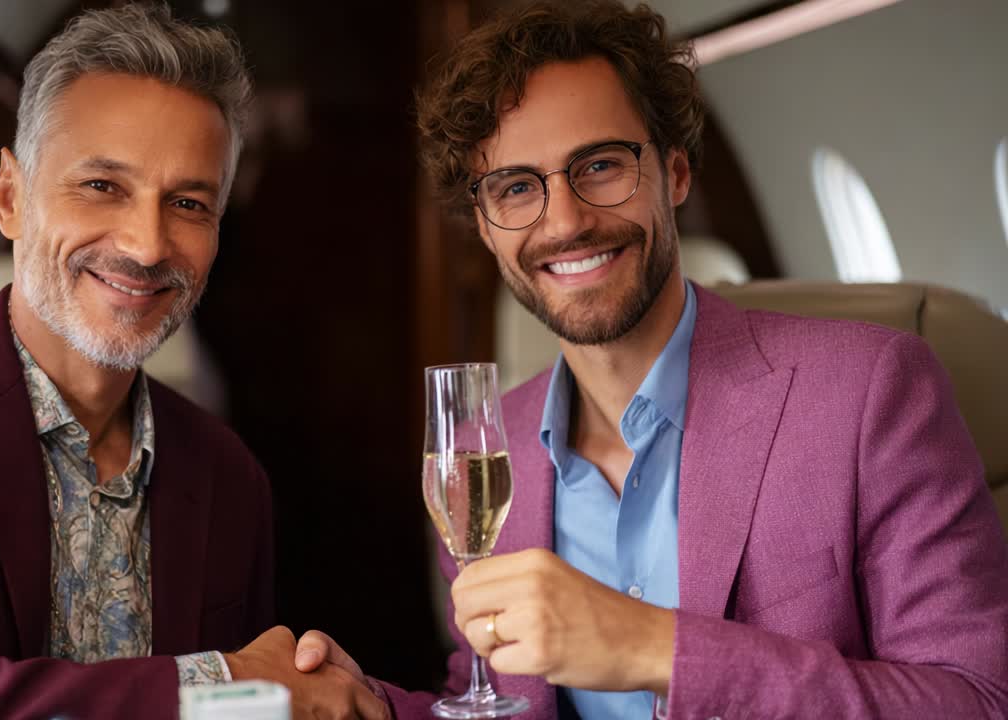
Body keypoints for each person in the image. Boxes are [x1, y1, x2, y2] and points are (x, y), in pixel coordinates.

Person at [296, 2, 1008, 718]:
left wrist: (652, 648)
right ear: (483, 225)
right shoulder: (492, 453)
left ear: (674, 173)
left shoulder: (872, 389)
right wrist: (374, 708)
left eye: (601, 166)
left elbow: (976, 700)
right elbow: (488, 699)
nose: (566, 221)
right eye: (516, 187)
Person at [0, 4, 385, 719]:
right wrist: (218, 679)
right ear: (10, 198)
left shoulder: (228, 476)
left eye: (187, 202)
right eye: (102, 186)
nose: (147, 245)